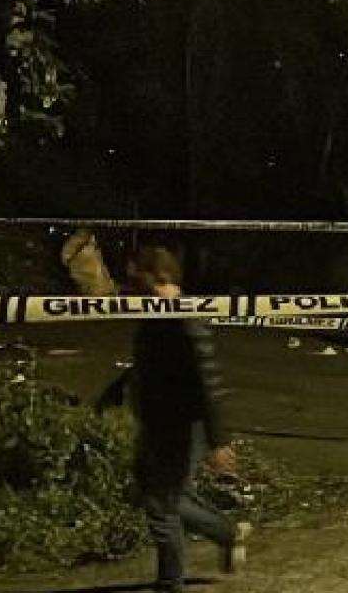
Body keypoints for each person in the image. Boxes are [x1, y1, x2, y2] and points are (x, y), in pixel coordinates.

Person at [128, 246, 249, 593]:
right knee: (162, 494)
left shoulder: (185, 319)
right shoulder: (157, 314)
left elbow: (205, 379)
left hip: (180, 425)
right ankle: (226, 532)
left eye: (137, 277)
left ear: (160, 277)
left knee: (161, 503)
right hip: (159, 421)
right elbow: (152, 367)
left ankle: (171, 583)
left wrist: (217, 439)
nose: (130, 285)